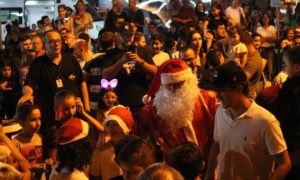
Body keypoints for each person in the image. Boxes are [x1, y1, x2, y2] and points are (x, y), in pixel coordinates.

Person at [205, 61, 291, 180]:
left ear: (239, 89)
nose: (217, 96)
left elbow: (284, 164)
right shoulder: (220, 111)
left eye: (222, 90)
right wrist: (209, 175)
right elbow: (217, 143)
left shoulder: (266, 121)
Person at [18, 30, 90, 160]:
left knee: (77, 149)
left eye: (57, 41)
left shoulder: (71, 59)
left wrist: (87, 106)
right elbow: (29, 85)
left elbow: (82, 83)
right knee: (53, 153)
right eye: (51, 41)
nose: (55, 44)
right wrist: (27, 94)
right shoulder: (38, 63)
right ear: (44, 45)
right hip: (50, 117)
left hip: (74, 114)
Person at [139, 59, 217, 159]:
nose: (173, 90)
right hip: (174, 164)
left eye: (178, 85)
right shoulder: (156, 108)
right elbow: (140, 125)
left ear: (190, 81)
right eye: (168, 86)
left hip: (209, 159)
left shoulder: (208, 99)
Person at [272, 46, 300, 179]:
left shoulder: (289, 88)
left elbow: (280, 115)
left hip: (292, 145)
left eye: (286, 65)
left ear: (296, 68)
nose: (284, 69)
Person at [90, 105, 134, 180]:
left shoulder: (136, 148)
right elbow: (94, 177)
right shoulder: (100, 152)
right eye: (108, 124)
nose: (111, 128)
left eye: (115, 124)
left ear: (125, 127)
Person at [13, 103, 52, 179]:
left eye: (39, 119)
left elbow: (42, 160)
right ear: (21, 123)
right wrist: (30, 169)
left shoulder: (40, 137)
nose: (38, 123)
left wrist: (48, 162)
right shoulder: (15, 143)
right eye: (33, 120)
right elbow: (15, 170)